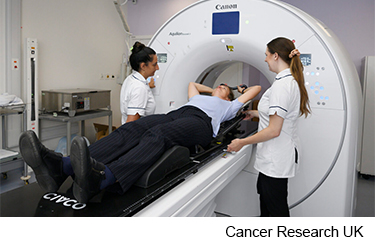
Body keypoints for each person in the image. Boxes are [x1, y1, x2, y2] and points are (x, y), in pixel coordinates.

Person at [19, 82, 261, 203]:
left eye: (225, 88)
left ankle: (104, 178)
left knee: (160, 135)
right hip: (179, 113)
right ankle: (63, 168)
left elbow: (256, 88)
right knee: (133, 127)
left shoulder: (230, 106)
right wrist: (215, 90)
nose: (221, 87)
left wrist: (234, 92)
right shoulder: (197, 96)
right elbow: (193, 85)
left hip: (202, 124)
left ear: (231, 98)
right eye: (220, 85)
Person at [227, 37, 311, 217]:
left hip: (276, 157)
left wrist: (242, 142)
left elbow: (274, 129)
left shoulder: (282, 86)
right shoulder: (289, 81)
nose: (265, 59)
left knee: (274, 209)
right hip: (277, 156)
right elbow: (282, 116)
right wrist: (256, 114)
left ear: (275, 56)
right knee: (269, 203)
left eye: (266, 55)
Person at [120, 42, 159, 124]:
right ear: (143, 66)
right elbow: (131, 124)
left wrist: (148, 86)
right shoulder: (139, 88)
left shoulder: (131, 79)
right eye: (154, 64)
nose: (157, 68)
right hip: (138, 136)